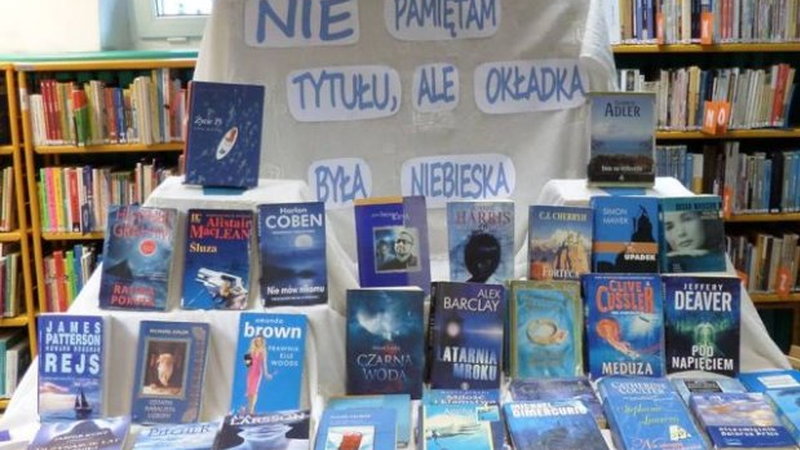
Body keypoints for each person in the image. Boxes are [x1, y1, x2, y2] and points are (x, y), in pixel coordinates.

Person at [245, 336, 271, 414]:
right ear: (255, 341)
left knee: (254, 390)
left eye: (260, 341)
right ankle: (249, 407)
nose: (258, 342)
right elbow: (248, 364)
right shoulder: (250, 350)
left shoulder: (263, 351)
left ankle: (252, 409)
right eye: (257, 340)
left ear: (262, 342)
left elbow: (264, 363)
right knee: (249, 391)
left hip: (257, 372)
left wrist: (266, 373)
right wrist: (247, 358)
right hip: (250, 372)